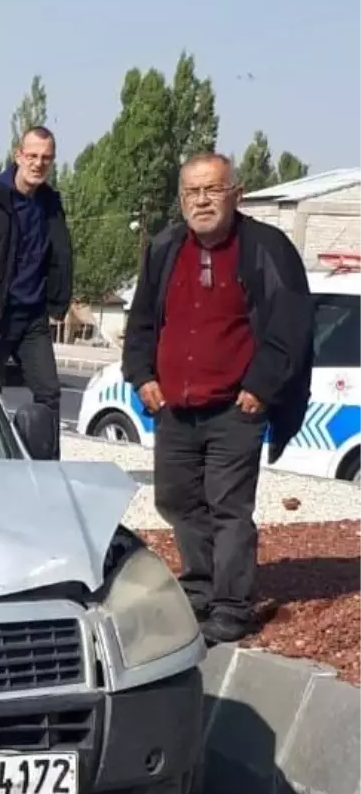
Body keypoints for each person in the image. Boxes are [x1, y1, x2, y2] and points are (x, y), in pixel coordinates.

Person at [123, 152, 313, 646]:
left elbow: (290, 329)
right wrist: (141, 374)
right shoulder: (165, 247)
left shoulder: (265, 248)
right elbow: (143, 320)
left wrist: (261, 388)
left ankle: (232, 605)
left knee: (227, 507)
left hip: (235, 407)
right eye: (192, 191)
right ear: (181, 197)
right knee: (178, 501)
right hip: (175, 407)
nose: (202, 201)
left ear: (236, 193)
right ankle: (199, 591)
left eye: (212, 190)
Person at [0, 126, 72, 458]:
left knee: (49, 393)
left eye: (46, 158)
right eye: (32, 156)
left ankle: (47, 468)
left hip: (32, 317)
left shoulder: (50, 203)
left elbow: (61, 255)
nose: (38, 164)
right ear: (18, 155)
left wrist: (58, 302)